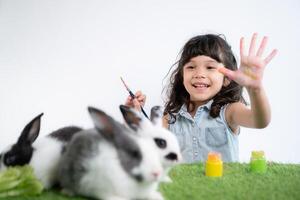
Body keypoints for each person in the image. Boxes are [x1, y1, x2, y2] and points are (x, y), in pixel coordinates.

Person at [125, 33, 277, 163]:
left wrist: (255, 89)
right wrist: (135, 114)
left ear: (227, 78)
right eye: (191, 67)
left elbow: (260, 121)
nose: (199, 74)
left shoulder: (230, 111)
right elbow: (148, 144)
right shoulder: (169, 119)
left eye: (210, 67)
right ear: (182, 76)